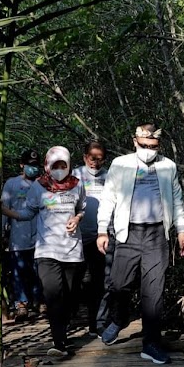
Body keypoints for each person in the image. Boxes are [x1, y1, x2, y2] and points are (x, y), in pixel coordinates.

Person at [96, 123, 184, 365]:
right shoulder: (121, 164)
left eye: (154, 146)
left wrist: (181, 230)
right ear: (134, 141)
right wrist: (101, 230)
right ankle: (119, 318)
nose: (149, 150)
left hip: (157, 235)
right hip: (128, 233)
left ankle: (151, 344)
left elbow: (177, 198)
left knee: (154, 292)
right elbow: (108, 198)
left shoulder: (167, 166)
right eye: (144, 145)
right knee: (118, 285)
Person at [10, 146, 86, 358]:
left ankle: (65, 323)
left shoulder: (77, 186)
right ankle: (59, 342)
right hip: (47, 250)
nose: (59, 169)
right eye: (55, 166)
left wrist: (77, 218)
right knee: (53, 295)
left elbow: (82, 209)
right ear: (48, 166)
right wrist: (6, 211)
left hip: (72, 250)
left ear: (69, 165)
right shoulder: (38, 187)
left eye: (63, 165)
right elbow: (28, 212)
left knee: (70, 297)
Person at [71, 141, 109, 337]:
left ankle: (97, 323)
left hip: (100, 237)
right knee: (73, 281)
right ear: (84, 157)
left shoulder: (110, 176)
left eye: (99, 158)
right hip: (76, 237)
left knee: (99, 281)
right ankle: (70, 319)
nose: (95, 162)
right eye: (91, 157)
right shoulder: (74, 176)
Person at [1, 149, 44, 319]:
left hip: (41, 238)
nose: (33, 169)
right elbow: (4, 209)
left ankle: (39, 301)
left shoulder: (43, 184)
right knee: (19, 271)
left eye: (35, 166)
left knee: (39, 271)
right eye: (29, 165)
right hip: (18, 238)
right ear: (22, 165)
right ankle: (21, 303)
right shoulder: (11, 184)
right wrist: (2, 233)